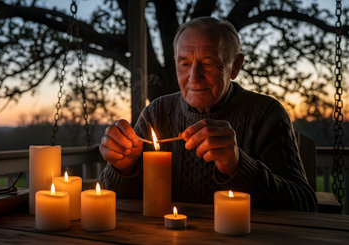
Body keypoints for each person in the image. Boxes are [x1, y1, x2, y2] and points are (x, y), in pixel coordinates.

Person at [99, 17, 317, 211]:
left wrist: (238, 165)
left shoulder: (265, 114)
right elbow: (114, 202)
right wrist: (123, 168)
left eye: (209, 63)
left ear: (236, 67)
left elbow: (304, 203)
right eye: (184, 63)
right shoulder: (157, 113)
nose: (194, 77)